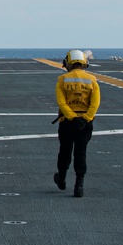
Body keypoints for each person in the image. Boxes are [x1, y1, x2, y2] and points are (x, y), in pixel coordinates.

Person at [54, 50, 101, 198]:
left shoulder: (62, 79)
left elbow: (61, 102)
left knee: (65, 151)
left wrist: (72, 117)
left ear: (68, 63)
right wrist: (85, 118)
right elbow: (95, 103)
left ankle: (61, 178)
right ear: (83, 63)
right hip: (85, 123)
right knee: (81, 152)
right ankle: (79, 185)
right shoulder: (92, 80)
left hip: (68, 122)